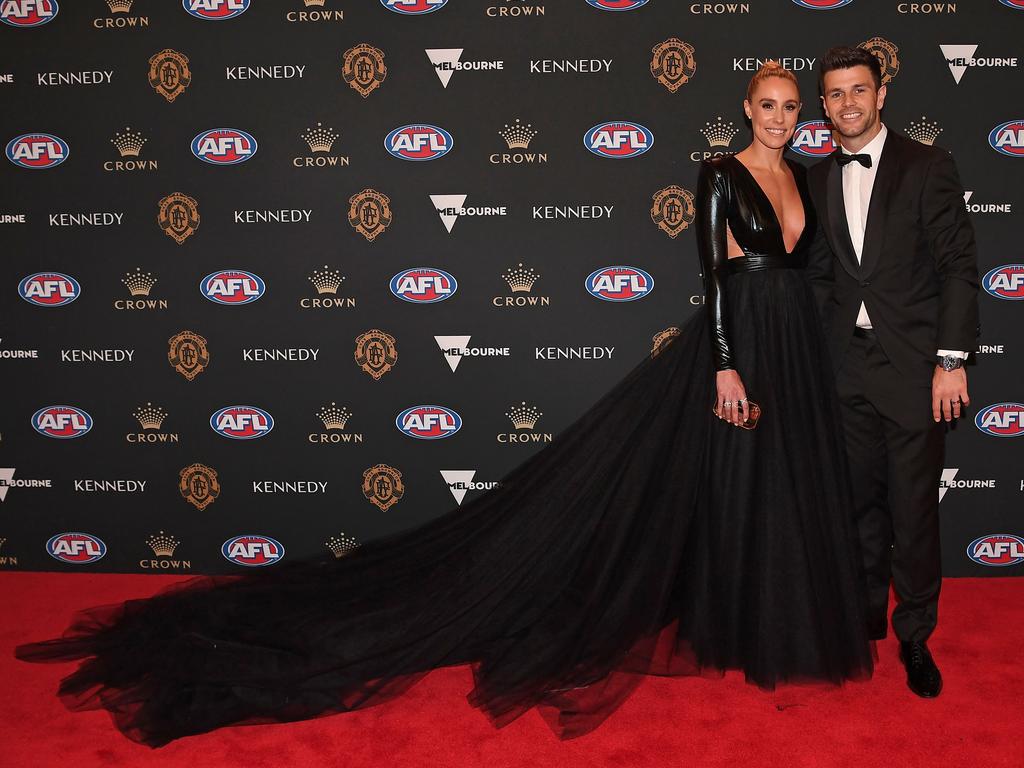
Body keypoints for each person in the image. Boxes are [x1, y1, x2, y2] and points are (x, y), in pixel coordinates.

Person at [14, 62, 873, 748]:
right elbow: (714, 274)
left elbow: (810, 272)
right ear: (745, 106)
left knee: (777, 484)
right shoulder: (720, 172)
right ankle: (729, 625)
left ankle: (758, 621)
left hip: (793, 340)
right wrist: (724, 367)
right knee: (724, 479)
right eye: (768, 103)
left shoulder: (804, 170)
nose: (780, 115)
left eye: (791, 104)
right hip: (739, 340)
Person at [805, 46, 980, 699]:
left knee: (912, 513)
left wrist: (951, 362)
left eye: (858, 90)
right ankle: (860, 622)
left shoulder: (927, 166)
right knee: (855, 508)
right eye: (835, 93)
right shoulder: (819, 177)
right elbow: (824, 278)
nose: (847, 103)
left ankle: (914, 636)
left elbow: (958, 269)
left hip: (913, 370)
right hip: (844, 368)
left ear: (881, 95)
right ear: (823, 105)